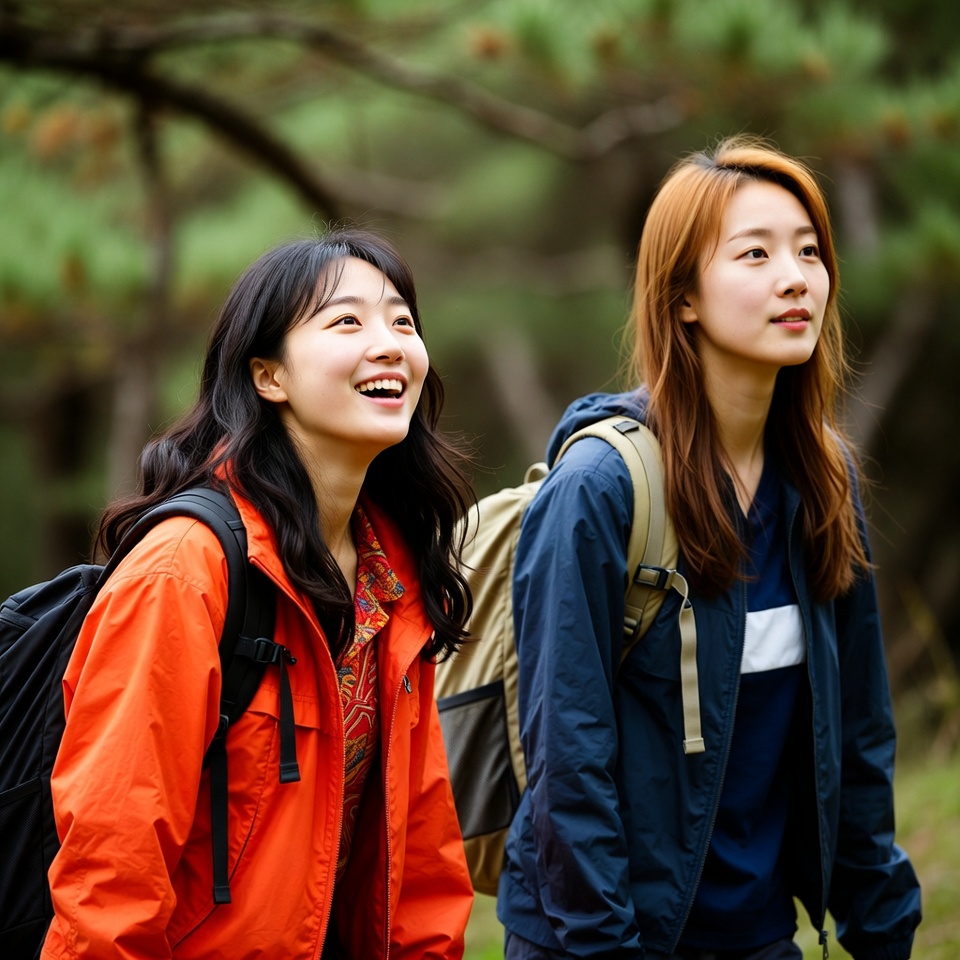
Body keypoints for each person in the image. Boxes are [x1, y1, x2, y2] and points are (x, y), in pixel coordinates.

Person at [496, 137, 922, 960]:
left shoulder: (821, 481)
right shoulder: (599, 489)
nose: (795, 278)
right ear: (683, 295)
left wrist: (884, 929)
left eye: (808, 251)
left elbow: (861, 739)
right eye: (755, 254)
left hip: (760, 936)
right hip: (604, 942)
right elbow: (566, 767)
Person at [41, 229, 474, 958]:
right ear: (268, 377)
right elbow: (110, 874)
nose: (391, 343)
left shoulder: (391, 575)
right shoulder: (185, 570)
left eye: (402, 320)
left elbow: (421, 858)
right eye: (347, 321)